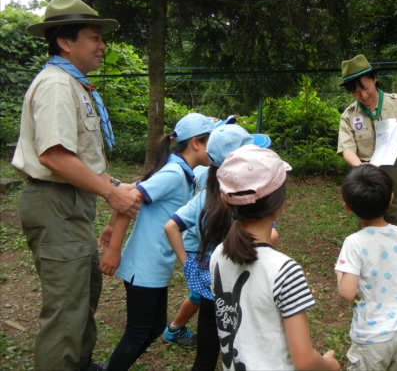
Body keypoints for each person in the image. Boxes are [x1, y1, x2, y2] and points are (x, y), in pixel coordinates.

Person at [11, 0, 141, 371]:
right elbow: (54, 156)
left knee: (84, 293)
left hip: (69, 204)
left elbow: (78, 158)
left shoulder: (73, 84)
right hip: (55, 204)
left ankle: (79, 364)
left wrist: (114, 182)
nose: (101, 46)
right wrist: (110, 193)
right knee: (66, 310)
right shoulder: (55, 85)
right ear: (65, 42)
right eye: (93, 37)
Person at [98, 113, 215, 371]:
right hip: (145, 266)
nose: (215, 149)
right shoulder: (174, 173)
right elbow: (130, 200)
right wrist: (114, 250)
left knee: (152, 329)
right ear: (196, 143)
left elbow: (128, 190)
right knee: (138, 332)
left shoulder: (180, 171)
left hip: (156, 266)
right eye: (211, 142)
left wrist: (108, 226)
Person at [209, 145, 340, 371]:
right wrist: (329, 365)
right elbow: (305, 361)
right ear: (280, 203)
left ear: (224, 200)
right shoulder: (284, 271)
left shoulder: (218, 255)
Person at [163, 124, 275, 370]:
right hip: (241, 288)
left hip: (210, 288)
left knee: (205, 356)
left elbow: (171, 227)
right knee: (242, 350)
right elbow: (272, 238)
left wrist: (187, 263)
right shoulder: (251, 201)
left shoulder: (205, 197)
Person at [337, 54, 397, 292]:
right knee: (369, 237)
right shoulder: (350, 115)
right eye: (355, 91)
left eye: (365, 86)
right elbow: (347, 149)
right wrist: (360, 168)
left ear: (374, 78)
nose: (362, 94)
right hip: (368, 175)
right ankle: (373, 291)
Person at [335, 165, 397, 371]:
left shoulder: (354, 242)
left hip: (372, 338)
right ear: (391, 198)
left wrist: (340, 274)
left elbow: (347, 293)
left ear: (348, 207)